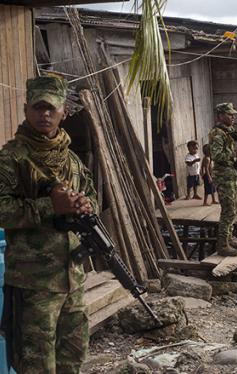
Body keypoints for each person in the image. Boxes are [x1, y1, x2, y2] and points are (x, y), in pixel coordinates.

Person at [0, 75, 98, 374]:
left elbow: (92, 195)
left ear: (63, 113)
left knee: (73, 359)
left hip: (73, 278)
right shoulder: (11, 158)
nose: (45, 114)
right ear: (26, 108)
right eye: (38, 108)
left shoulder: (71, 160)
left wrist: (84, 205)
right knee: (37, 365)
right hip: (34, 284)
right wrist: (48, 206)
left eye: (51, 109)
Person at [209, 103, 237, 256]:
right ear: (220, 116)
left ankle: (229, 238)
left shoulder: (228, 131)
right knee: (228, 210)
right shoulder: (217, 133)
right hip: (223, 176)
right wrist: (235, 154)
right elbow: (216, 156)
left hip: (230, 174)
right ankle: (222, 245)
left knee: (233, 208)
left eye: (233, 114)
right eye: (229, 114)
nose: (233, 117)